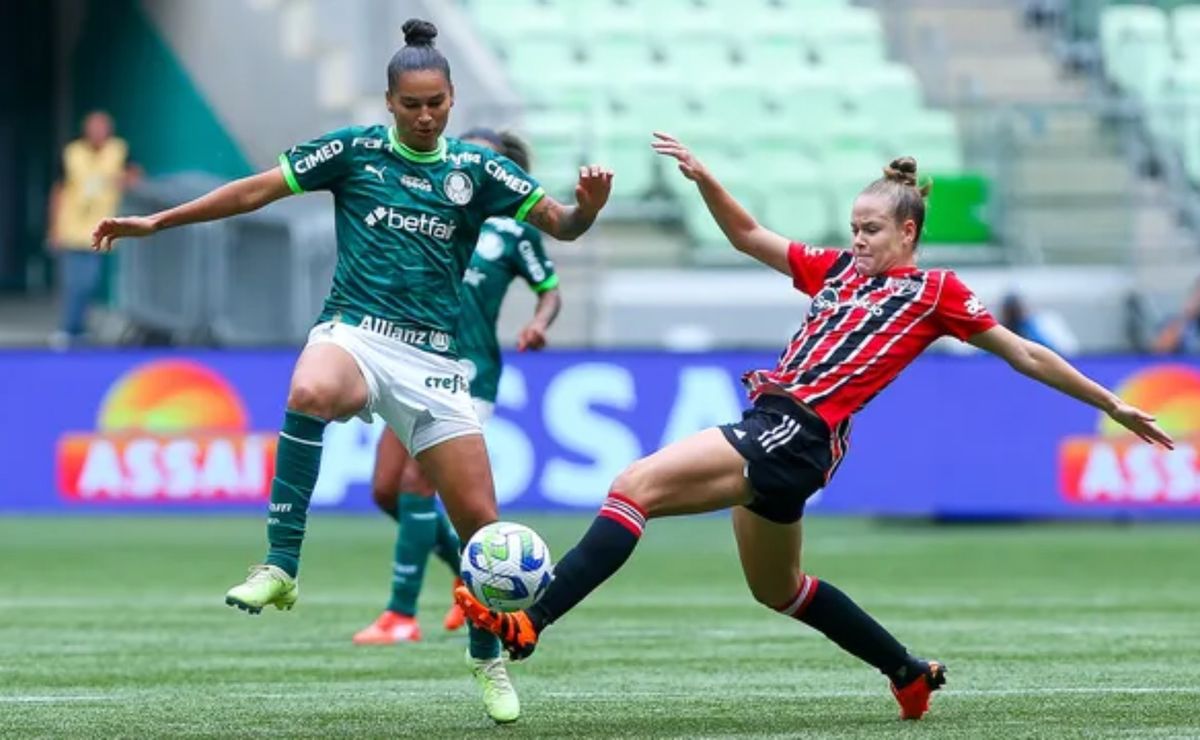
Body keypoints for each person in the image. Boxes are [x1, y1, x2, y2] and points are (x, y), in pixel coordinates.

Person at [454, 135, 1174, 722]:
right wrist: (706, 177)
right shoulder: (832, 271)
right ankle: (908, 671)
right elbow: (747, 235)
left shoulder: (936, 292)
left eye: (871, 230)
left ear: (908, 232)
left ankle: (530, 621)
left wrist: (1109, 403)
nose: (856, 240)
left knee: (632, 486)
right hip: (780, 432)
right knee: (779, 588)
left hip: (795, 432)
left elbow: (1024, 352)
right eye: (854, 228)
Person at [91, 19, 612, 725]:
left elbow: (561, 223)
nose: (425, 116)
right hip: (358, 333)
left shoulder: (480, 171)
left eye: (436, 103)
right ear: (389, 102)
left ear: (452, 99)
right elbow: (254, 191)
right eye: (412, 104)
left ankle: (487, 660)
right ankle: (280, 566)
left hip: (436, 361)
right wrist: (158, 224)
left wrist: (587, 208)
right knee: (310, 389)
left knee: (482, 528)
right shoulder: (353, 151)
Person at [353, 127, 562, 646]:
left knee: (418, 487)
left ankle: (400, 615)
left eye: (484, 162)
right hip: (407, 360)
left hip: (467, 375)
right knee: (385, 490)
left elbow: (550, 290)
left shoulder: (514, 231)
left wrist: (540, 322)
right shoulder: (425, 216)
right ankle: (465, 572)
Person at [47, 110, 141, 349]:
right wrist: (53, 228)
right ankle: (70, 329)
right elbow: (58, 191)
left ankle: (79, 327)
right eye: (94, 128)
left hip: (102, 230)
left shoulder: (119, 150)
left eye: (103, 128)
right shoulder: (72, 152)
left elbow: (136, 176)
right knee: (75, 281)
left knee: (90, 281)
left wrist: (124, 180)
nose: (98, 133)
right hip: (72, 229)